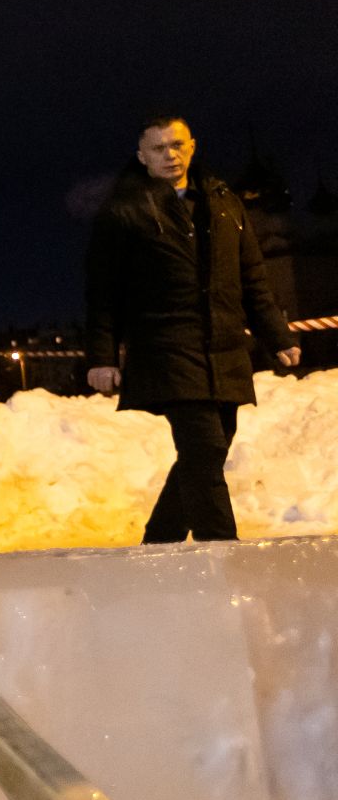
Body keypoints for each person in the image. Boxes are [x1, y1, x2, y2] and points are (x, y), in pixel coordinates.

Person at [86, 115, 299, 542]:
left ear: (193, 146)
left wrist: (277, 335)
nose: (171, 154)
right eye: (160, 147)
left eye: (178, 144)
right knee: (202, 449)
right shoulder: (125, 210)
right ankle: (221, 552)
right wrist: (102, 357)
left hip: (224, 348)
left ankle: (158, 543)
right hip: (166, 347)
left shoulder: (224, 202)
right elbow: (104, 291)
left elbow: (252, 275)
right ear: (142, 156)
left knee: (212, 449)